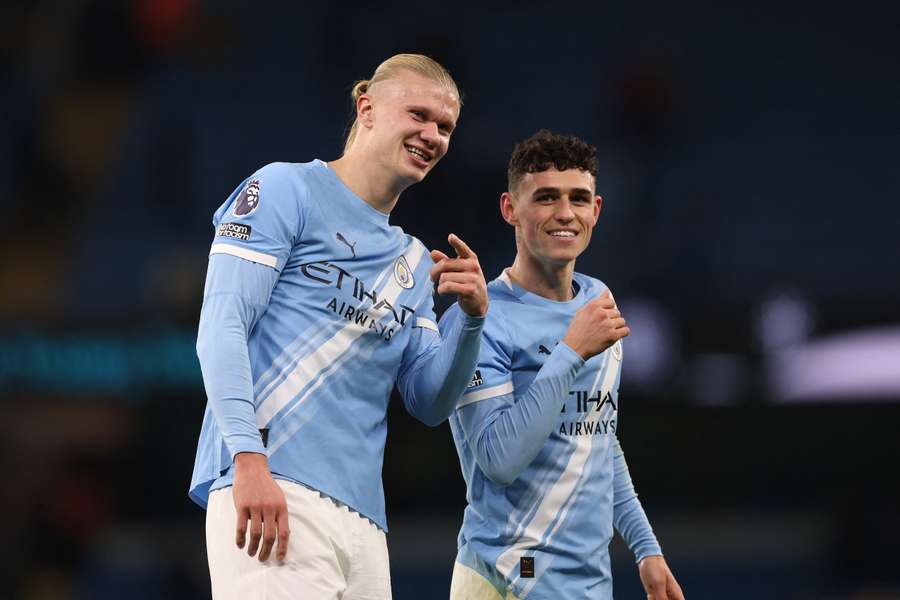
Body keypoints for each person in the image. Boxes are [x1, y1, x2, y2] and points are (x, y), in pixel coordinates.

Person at [189, 54, 488, 600]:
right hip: (273, 483)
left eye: (445, 127)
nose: (432, 135)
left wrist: (470, 323)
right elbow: (221, 325)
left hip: (364, 522)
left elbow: (428, 401)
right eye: (418, 114)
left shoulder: (415, 262)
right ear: (367, 107)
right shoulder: (286, 189)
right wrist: (247, 457)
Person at [440, 130, 684, 600]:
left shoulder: (598, 301)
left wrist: (645, 547)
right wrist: (571, 352)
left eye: (578, 198)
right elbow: (499, 460)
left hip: (588, 584)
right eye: (546, 198)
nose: (565, 213)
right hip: (504, 580)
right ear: (510, 208)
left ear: (597, 210)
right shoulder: (478, 317)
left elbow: (596, 439)